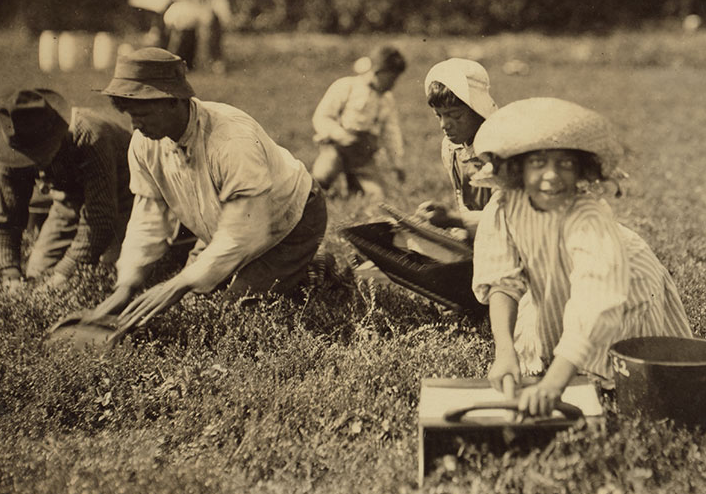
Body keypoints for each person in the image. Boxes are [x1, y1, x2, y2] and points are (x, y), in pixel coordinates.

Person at [471, 97, 693, 416]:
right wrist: (504, 350)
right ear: (518, 167)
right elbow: (502, 281)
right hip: (556, 278)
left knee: (619, 377)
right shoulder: (505, 206)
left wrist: (554, 383)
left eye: (564, 164)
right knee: (545, 345)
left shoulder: (588, 216)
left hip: (622, 282)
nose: (551, 176)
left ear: (580, 169)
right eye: (538, 163)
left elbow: (596, 301)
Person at [83, 47, 327, 329]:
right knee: (195, 301)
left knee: (235, 315)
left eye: (144, 113)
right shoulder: (144, 142)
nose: (136, 124)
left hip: (290, 221)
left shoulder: (230, 139)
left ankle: (315, 268)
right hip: (223, 222)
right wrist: (126, 285)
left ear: (174, 101)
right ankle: (286, 270)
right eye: (129, 114)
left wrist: (179, 283)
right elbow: (148, 216)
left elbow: (246, 231)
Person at [0, 89, 132, 292]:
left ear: (58, 134)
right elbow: (5, 217)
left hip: (124, 196)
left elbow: (100, 217)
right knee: (37, 273)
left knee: (109, 273)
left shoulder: (90, 136)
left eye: (40, 154)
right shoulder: (13, 150)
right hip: (69, 202)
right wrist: (9, 272)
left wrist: (65, 272)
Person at [414, 58, 498, 239]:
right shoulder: (452, 148)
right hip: (478, 232)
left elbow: (507, 218)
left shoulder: (500, 149)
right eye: (439, 116)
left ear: (477, 109)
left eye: (455, 116)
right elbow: (463, 202)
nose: (445, 125)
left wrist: (454, 220)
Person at [310, 45, 407, 200]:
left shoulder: (386, 100)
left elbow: (391, 132)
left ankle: (355, 184)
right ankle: (320, 193)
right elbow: (322, 116)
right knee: (322, 176)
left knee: (377, 195)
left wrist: (397, 163)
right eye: (391, 78)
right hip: (338, 148)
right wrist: (338, 134)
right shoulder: (347, 86)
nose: (392, 84)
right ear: (378, 71)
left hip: (363, 155)